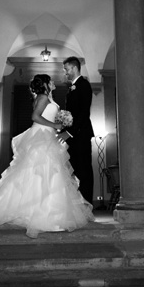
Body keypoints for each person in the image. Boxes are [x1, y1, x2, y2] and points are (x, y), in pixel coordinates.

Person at [0, 74, 93, 238]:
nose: (53, 83)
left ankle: (51, 214)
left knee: (51, 174)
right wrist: (54, 124)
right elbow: (35, 117)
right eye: (50, 81)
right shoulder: (43, 97)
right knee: (41, 172)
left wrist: (61, 123)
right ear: (45, 84)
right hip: (41, 137)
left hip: (49, 136)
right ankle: (40, 214)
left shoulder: (47, 98)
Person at [60, 56, 95, 204]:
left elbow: (83, 113)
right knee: (74, 169)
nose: (65, 73)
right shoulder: (73, 86)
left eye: (66, 69)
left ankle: (87, 204)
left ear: (74, 68)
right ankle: (77, 204)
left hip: (80, 135)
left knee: (84, 170)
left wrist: (69, 132)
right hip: (74, 136)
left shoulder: (84, 85)